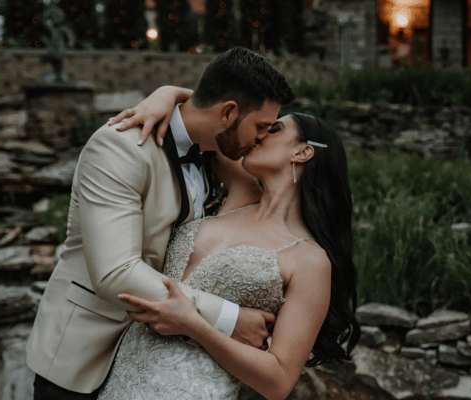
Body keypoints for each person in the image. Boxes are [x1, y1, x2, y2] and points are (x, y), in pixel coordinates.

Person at [26, 47, 295, 400]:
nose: (261, 137)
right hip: (84, 358)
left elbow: (203, 104)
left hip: (155, 363)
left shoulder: (215, 151)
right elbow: (116, 273)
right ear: (228, 112)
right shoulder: (120, 147)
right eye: (260, 126)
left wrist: (170, 91)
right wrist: (229, 319)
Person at [97, 88, 360, 399]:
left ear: (302, 152)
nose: (259, 135)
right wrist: (166, 93)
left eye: (273, 129)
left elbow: (278, 381)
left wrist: (195, 326)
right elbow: (210, 112)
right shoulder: (242, 192)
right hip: (122, 379)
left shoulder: (310, 261)